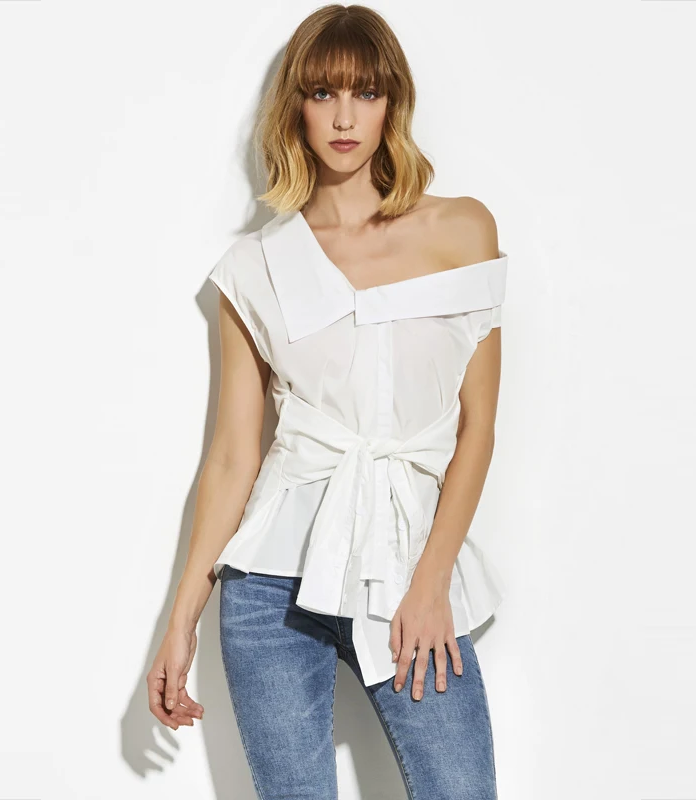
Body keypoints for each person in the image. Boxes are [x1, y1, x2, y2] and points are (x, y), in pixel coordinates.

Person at [148, 5, 508, 798]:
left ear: (393, 103)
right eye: (322, 93)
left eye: (366, 93)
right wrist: (180, 622)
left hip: (404, 568)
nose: (345, 118)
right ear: (296, 108)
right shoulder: (256, 267)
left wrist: (431, 583)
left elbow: (478, 428)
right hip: (268, 587)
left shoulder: (462, 231)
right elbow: (233, 457)